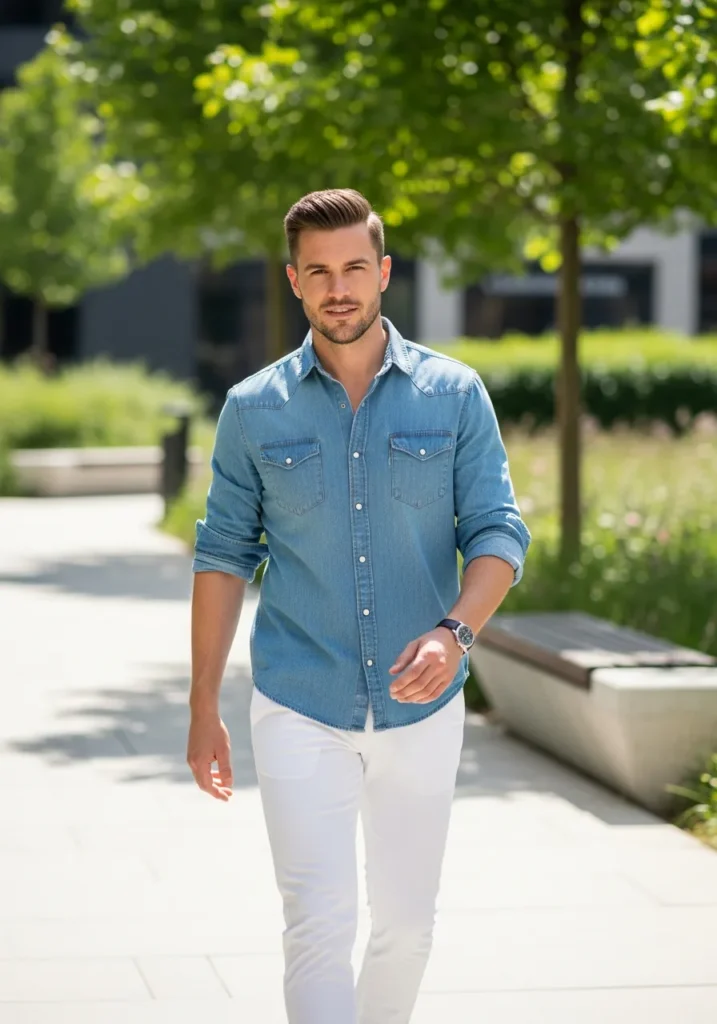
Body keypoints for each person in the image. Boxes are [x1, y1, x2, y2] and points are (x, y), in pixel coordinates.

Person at [187, 188, 531, 1023]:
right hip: (300, 698)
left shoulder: (453, 395)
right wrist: (203, 705)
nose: (337, 289)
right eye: (318, 273)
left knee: (406, 929)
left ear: (381, 273)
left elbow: (498, 533)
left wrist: (457, 635)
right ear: (294, 283)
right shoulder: (252, 409)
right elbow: (223, 556)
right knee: (317, 924)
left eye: (352, 269)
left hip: (423, 708)